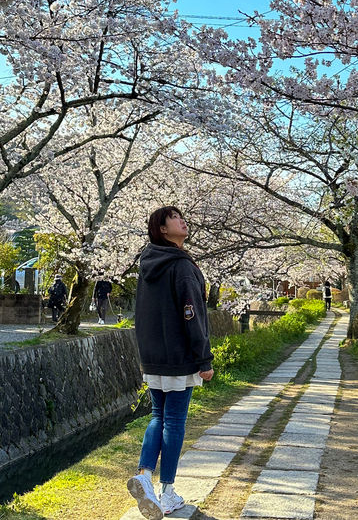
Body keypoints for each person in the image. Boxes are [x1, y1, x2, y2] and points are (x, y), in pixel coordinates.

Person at [127, 206, 214, 519]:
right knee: (174, 420)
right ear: (161, 229)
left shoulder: (148, 264)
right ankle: (167, 493)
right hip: (179, 357)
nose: (183, 220)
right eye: (175, 218)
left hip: (153, 357)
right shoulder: (181, 265)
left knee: (158, 415)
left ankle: (144, 475)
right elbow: (193, 314)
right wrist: (203, 358)